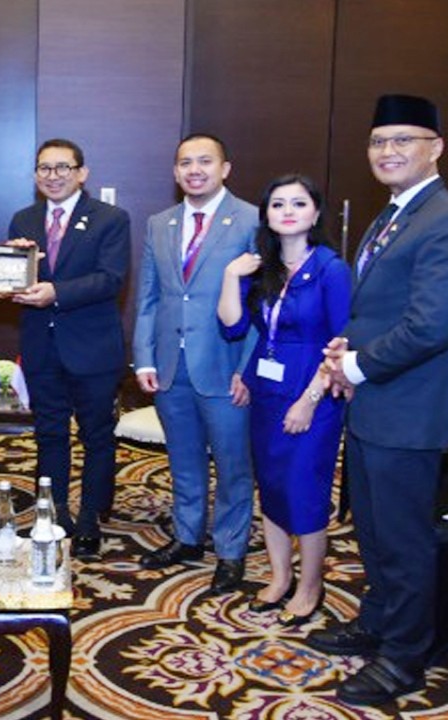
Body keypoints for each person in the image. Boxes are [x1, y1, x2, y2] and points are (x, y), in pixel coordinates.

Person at [304, 94, 448, 705]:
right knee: (375, 533)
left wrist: (356, 362)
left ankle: (404, 657)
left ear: (435, 147)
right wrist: (345, 350)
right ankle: (377, 622)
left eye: (404, 140)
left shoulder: (447, 221)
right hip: (374, 403)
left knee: (405, 542)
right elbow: (376, 308)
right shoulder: (392, 216)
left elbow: (430, 326)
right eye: (380, 142)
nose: (388, 152)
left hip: (408, 411)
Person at [217, 174, 350, 623]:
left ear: (315, 213)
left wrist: (309, 400)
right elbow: (234, 327)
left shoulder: (331, 269)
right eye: (277, 204)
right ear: (267, 216)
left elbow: (342, 343)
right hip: (268, 392)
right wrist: (230, 275)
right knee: (271, 486)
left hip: (313, 393)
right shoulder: (264, 269)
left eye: (298, 203)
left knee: (305, 490)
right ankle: (279, 578)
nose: (287, 211)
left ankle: (311, 586)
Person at [133, 132, 258, 594]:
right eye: (185, 162)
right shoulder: (158, 223)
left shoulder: (251, 219)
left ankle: (230, 550)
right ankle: (187, 537)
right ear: (175, 171)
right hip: (169, 364)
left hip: (226, 367)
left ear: (226, 168)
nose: (195, 170)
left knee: (232, 463)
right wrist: (143, 357)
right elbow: (148, 297)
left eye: (205, 161)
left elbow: (263, 304)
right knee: (183, 458)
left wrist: (247, 367)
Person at [7, 139, 131, 560]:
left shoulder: (110, 219)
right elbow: (14, 280)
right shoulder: (22, 220)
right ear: (35, 175)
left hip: (93, 349)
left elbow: (111, 278)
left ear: (82, 173)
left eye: (63, 167)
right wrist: (10, 273)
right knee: (50, 435)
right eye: (44, 168)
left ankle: (91, 519)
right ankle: (54, 516)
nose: (53, 175)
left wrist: (55, 292)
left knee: (97, 436)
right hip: (42, 347)